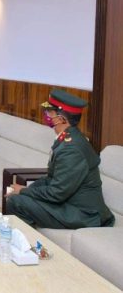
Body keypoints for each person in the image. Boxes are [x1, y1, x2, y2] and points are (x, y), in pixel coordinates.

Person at [6, 89, 115, 229]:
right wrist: (28, 190)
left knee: (16, 202)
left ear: (61, 119)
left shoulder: (71, 149)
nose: (46, 115)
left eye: (49, 112)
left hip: (84, 214)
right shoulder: (68, 138)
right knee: (20, 197)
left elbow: (57, 193)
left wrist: (23, 191)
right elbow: (51, 178)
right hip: (69, 204)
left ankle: (25, 241)